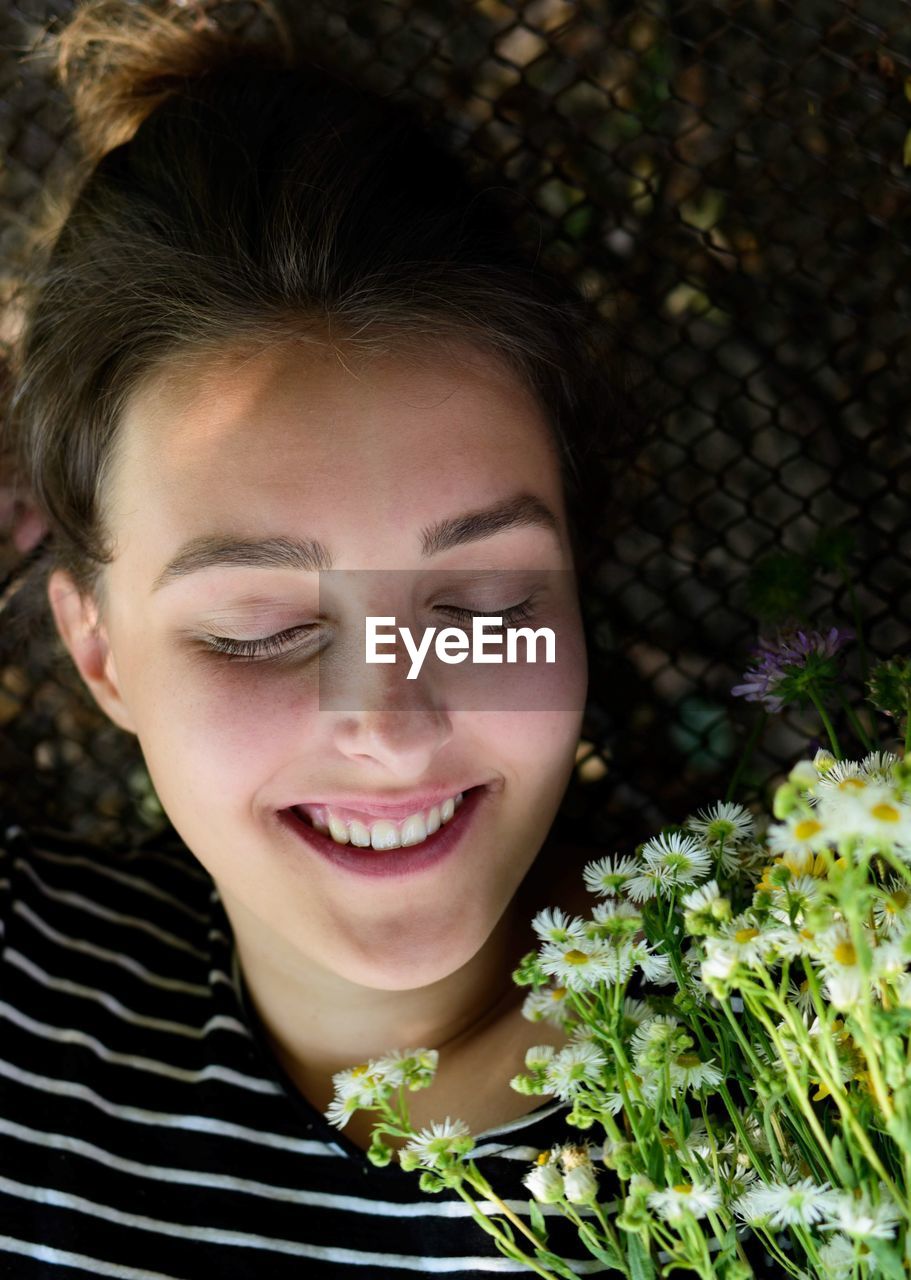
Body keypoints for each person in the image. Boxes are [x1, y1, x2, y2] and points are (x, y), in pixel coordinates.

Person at [0, 1, 645, 1274]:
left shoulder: (824, 1079)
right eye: (264, 628)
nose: (389, 720)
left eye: (479, 609)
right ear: (100, 650)